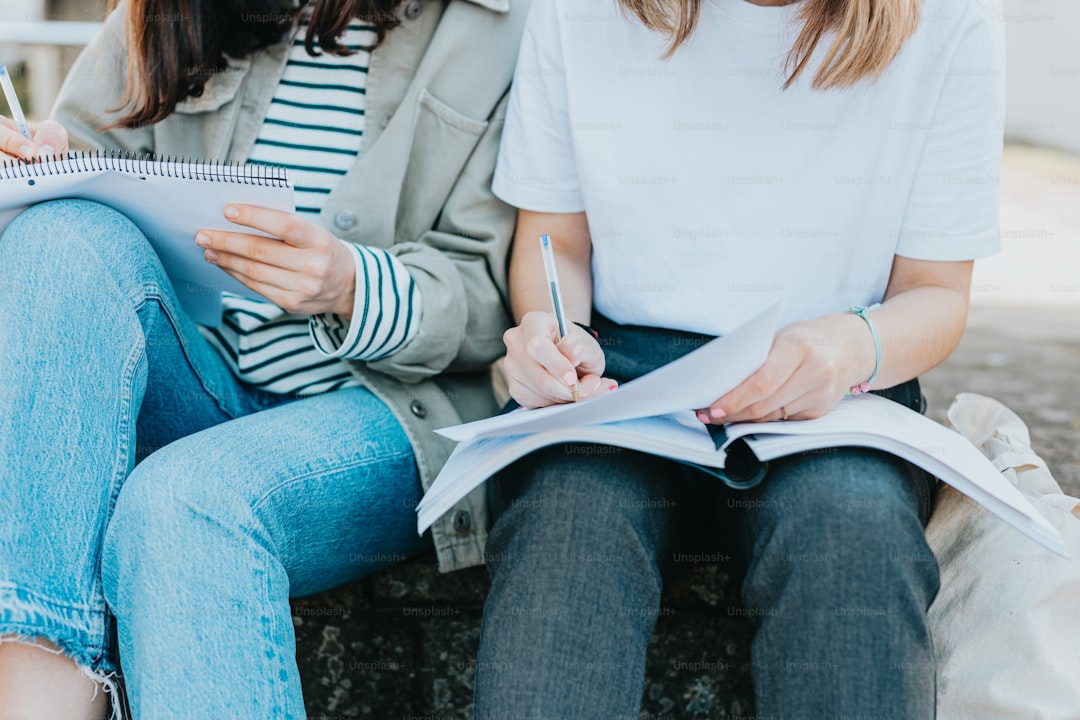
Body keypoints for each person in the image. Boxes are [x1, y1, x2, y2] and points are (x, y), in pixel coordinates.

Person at [473, 0, 1005, 717]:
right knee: (567, 526)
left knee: (852, 533)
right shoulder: (577, 12)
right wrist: (551, 330)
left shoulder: (952, 20)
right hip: (619, 384)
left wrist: (850, 344)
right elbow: (555, 244)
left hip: (838, 395)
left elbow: (936, 295)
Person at [0, 0, 528, 717]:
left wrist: (349, 285)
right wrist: (40, 170)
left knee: (185, 500)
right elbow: (86, 183)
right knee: (59, 237)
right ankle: (39, 698)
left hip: (384, 409)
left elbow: (501, 298)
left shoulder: (504, 23)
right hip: (195, 379)